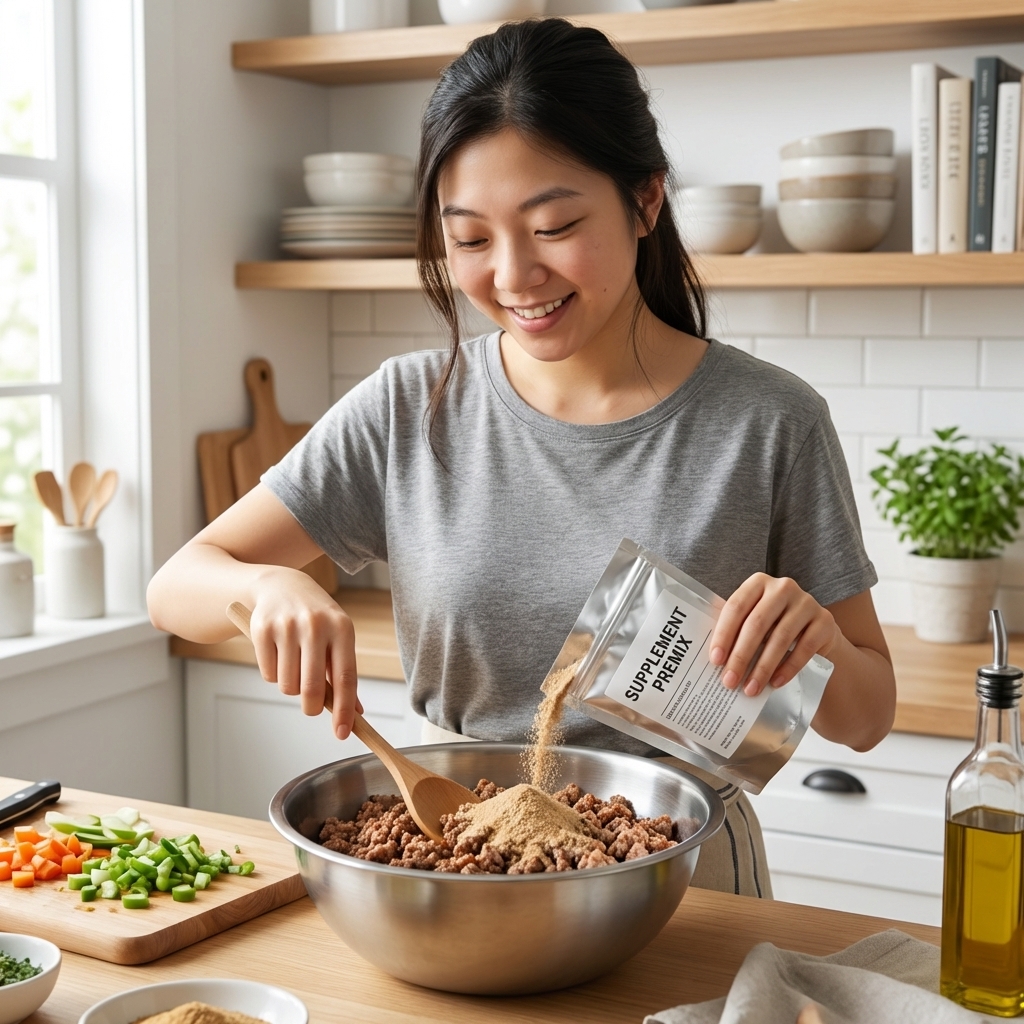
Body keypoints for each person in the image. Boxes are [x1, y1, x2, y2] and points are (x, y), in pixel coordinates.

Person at [148, 18, 896, 897]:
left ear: (646, 199)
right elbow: (176, 588)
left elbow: (868, 715)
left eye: (553, 225)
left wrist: (815, 645)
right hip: (450, 865)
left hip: (687, 892)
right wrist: (261, 586)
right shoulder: (408, 408)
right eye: (469, 239)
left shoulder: (770, 422)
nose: (513, 276)